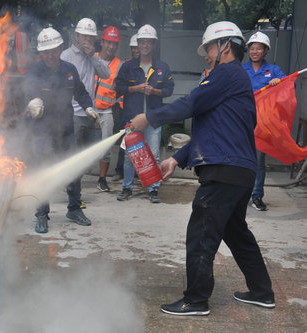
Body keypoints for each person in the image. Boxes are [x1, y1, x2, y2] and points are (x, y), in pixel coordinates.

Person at [131, 21, 275, 316]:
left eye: (208, 48)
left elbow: (191, 103)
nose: (206, 55)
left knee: (201, 231)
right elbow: (212, 132)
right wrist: (177, 158)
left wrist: (150, 117)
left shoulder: (227, 73)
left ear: (224, 47)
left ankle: (195, 300)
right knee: (236, 233)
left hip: (224, 172)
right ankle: (262, 292)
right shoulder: (232, 81)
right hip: (238, 171)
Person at [24, 27, 95, 233]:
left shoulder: (70, 70)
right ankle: (41, 214)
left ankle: (74, 209)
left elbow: (81, 93)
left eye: (53, 50)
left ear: (60, 48)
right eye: (45, 52)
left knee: (73, 170)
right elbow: (28, 90)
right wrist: (33, 100)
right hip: (42, 131)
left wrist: (88, 106)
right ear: (40, 53)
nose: (50, 55)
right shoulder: (34, 71)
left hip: (65, 129)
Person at [115, 24, 174, 203]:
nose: (145, 45)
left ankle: (153, 189)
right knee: (129, 156)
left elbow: (169, 90)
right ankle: (127, 187)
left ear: (153, 44)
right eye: (142, 42)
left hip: (153, 120)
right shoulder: (128, 67)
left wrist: (154, 91)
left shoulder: (162, 67)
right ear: (137, 45)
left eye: (148, 42)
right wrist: (136, 88)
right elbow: (118, 87)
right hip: (132, 119)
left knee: (154, 155)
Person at [243, 31, 286, 211]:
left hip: (263, 124)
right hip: (242, 121)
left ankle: (257, 195)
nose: (255, 51)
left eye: (258, 48)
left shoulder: (273, 70)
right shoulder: (240, 69)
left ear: (265, 50)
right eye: (252, 48)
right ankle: (240, 195)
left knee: (258, 161)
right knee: (240, 160)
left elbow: (288, 86)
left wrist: (279, 82)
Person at [60, 18, 109, 149]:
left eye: (91, 37)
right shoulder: (65, 56)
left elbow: (106, 74)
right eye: (85, 36)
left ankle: (86, 171)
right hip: (73, 114)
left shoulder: (93, 56)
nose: (88, 39)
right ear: (76, 36)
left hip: (91, 112)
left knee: (92, 152)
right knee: (72, 153)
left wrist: (93, 56)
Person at [94, 26, 123, 192]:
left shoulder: (120, 65)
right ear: (102, 42)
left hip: (106, 111)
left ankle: (102, 179)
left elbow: (121, 89)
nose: (111, 47)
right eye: (108, 43)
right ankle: (72, 179)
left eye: (114, 44)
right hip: (87, 110)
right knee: (78, 144)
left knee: (106, 147)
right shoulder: (91, 57)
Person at [113, 33, 140, 182]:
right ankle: (120, 170)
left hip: (142, 111)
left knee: (142, 142)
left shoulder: (147, 65)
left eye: (137, 48)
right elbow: (119, 86)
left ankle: (139, 171)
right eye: (133, 48)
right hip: (127, 111)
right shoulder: (127, 66)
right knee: (126, 141)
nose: (135, 50)